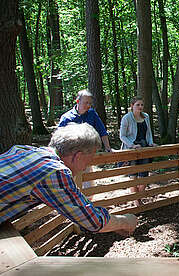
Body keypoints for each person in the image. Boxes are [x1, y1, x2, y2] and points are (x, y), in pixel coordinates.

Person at [0, 123, 137, 235]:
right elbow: (92, 221)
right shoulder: (55, 172)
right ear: (77, 156)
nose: (85, 168)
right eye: (87, 162)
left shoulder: (24, 150)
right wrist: (125, 221)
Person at [120, 96, 157, 206]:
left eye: (141, 105)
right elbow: (122, 136)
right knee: (133, 174)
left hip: (144, 148)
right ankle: (137, 201)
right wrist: (132, 145)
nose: (140, 107)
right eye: (137, 105)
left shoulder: (146, 116)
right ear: (132, 106)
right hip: (132, 149)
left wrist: (151, 143)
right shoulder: (126, 118)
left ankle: (138, 197)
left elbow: (149, 132)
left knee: (144, 173)